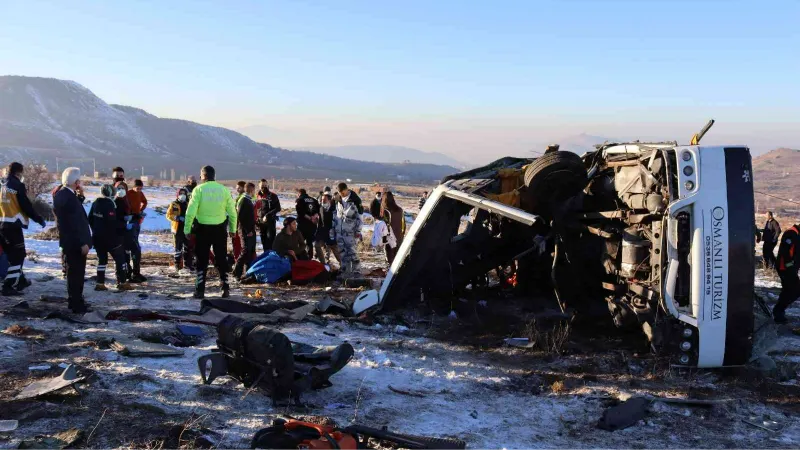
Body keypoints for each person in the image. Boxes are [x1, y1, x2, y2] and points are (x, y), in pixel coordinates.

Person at [184, 165, 237, 299]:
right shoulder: (224, 190)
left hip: (203, 229)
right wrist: (232, 229)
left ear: (203, 176)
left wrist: (187, 229)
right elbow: (232, 212)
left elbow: (190, 212)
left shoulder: (198, 190)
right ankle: (225, 288)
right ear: (214, 176)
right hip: (220, 229)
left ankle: (200, 290)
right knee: (221, 258)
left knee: (202, 260)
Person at [0, 162, 46, 295]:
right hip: (13, 225)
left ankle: (21, 280)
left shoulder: (1, 184)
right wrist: (38, 218)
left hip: (1, 225)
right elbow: (26, 205)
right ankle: (8, 286)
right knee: (19, 255)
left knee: (9, 254)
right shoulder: (17, 185)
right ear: (18, 173)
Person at [53, 168, 92, 313]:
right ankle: (76, 304)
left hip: (71, 241)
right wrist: (82, 243)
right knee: (76, 273)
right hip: (75, 243)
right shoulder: (67, 197)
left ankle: (76, 301)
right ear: (76, 182)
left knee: (75, 273)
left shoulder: (64, 194)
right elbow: (71, 223)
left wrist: (80, 197)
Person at [88, 184, 132, 292]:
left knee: (102, 260)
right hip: (111, 239)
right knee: (120, 260)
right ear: (111, 193)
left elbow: (89, 219)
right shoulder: (109, 205)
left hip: (97, 238)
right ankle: (122, 283)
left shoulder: (95, 203)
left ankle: (100, 283)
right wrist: (124, 224)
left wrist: (96, 229)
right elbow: (112, 222)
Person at [335, 182, 363, 275]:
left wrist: (358, 231)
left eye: (342, 192)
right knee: (342, 252)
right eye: (339, 193)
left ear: (347, 189)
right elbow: (336, 215)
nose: (341, 194)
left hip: (351, 232)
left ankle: (356, 271)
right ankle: (344, 270)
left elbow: (360, 218)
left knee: (352, 253)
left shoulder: (355, 200)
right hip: (340, 232)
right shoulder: (338, 200)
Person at [775, 223, 800, 324]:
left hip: (790, 268)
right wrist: (790, 267)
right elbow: (785, 252)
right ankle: (778, 311)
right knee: (795, 290)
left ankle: (778, 313)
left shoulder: (797, 234)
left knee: (788, 290)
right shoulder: (791, 233)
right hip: (785, 268)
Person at [233, 182, 258, 279]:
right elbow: (241, 217)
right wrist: (248, 231)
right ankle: (236, 272)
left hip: (251, 229)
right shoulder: (244, 200)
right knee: (245, 251)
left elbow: (250, 217)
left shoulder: (249, 200)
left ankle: (247, 272)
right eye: (254, 190)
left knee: (251, 252)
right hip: (244, 230)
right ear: (251, 190)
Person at [166, 188, 193, 271]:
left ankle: (187, 264)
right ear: (177, 195)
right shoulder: (174, 204)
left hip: (187, 229)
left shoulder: (189, 204)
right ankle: (177, 264)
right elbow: (168, 215)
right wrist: (177, 217)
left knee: (188, 247)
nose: (183, 195)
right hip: (177, 229)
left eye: (184, 194)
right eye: (181, 193)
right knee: (178, 248)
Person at [126, 179, 148, 282]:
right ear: (133, 187)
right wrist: (130, 212)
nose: (139, 190)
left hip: (137, 220)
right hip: (130, 220)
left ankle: (136, 272)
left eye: (140, 188)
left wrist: (141, 210)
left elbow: (145, 202)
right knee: (133, 246)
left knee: (136, 242)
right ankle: (130, 272)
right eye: (137, 188)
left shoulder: (140, 194)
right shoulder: (128, 193)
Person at [315, 193, 341, 265]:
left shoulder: (335, 209)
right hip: (322, 233)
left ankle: (344, 266)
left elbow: (338, 222)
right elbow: (320, 221)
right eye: (322, 200)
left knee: (335, 250)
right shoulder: (320, 208)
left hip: (331, 233)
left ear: (329, 200)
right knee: (317, 245)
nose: (322, 201)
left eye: (324, 200)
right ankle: (323, 264)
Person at [255, 179, 281, 253]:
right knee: (263, 241)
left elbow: (278, 208)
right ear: (259, 186)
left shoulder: (273, 196)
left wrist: (268, 215)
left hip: (270, 222)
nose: (264, 187)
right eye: (262, 185)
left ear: (268, 186)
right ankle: (265, 257)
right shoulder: (257, 196)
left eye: (265, 185)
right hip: (260, 223)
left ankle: (271, 257)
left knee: (271, 242)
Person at [381, 191, 406, 265]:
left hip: (389, 238)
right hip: (399, 237)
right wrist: (402, 234)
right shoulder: (400, 210)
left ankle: (390, 274)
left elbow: (383, 226)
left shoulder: (385, 211)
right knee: (398, 259)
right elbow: (403, 224)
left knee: (389, 260)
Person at [295, 188, 320, 259]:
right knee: (309, 242)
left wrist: (309, 218)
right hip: (312, 225)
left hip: (303, 225)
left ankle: (300, 257)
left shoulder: (300, 200)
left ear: (299, 193)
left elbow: (300, 212)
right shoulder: (314, 200)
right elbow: (319, 210)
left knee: (300, 242)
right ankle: (309, 257)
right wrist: (314, 217)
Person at [232, 181, 247, 261]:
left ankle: (238, 260)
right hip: (240, 223)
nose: (237, 189)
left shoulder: (243, 198)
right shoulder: (241, 197)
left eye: (238, 188)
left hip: (239, 224)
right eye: (236, 188)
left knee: (238, 243)